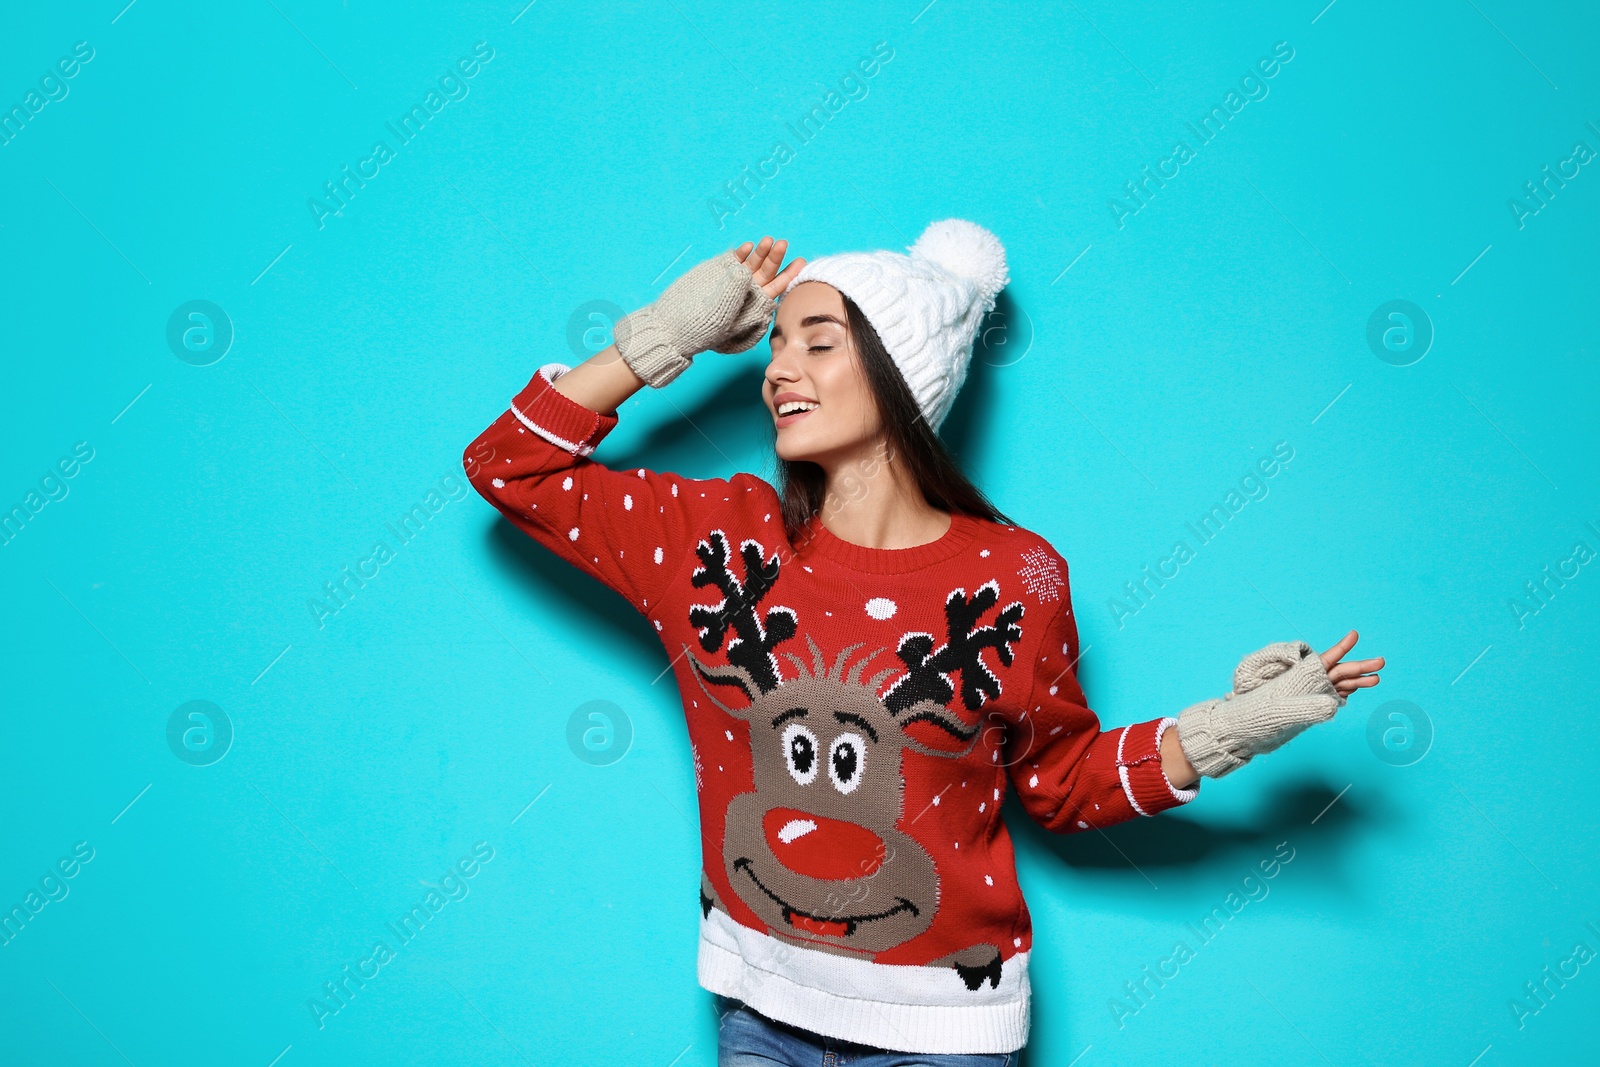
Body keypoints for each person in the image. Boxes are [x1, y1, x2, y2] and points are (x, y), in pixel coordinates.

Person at [462, 222, 1384, 1065]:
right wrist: (667, 334)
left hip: (944, 1032)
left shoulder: (1017, 579)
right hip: (757, 1011)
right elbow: (506, 464)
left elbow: (1060, 784)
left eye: (819, 342)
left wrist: (1228, 729)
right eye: (775, 342)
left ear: (902, 370)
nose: (779, 368)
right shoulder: (714, 541)